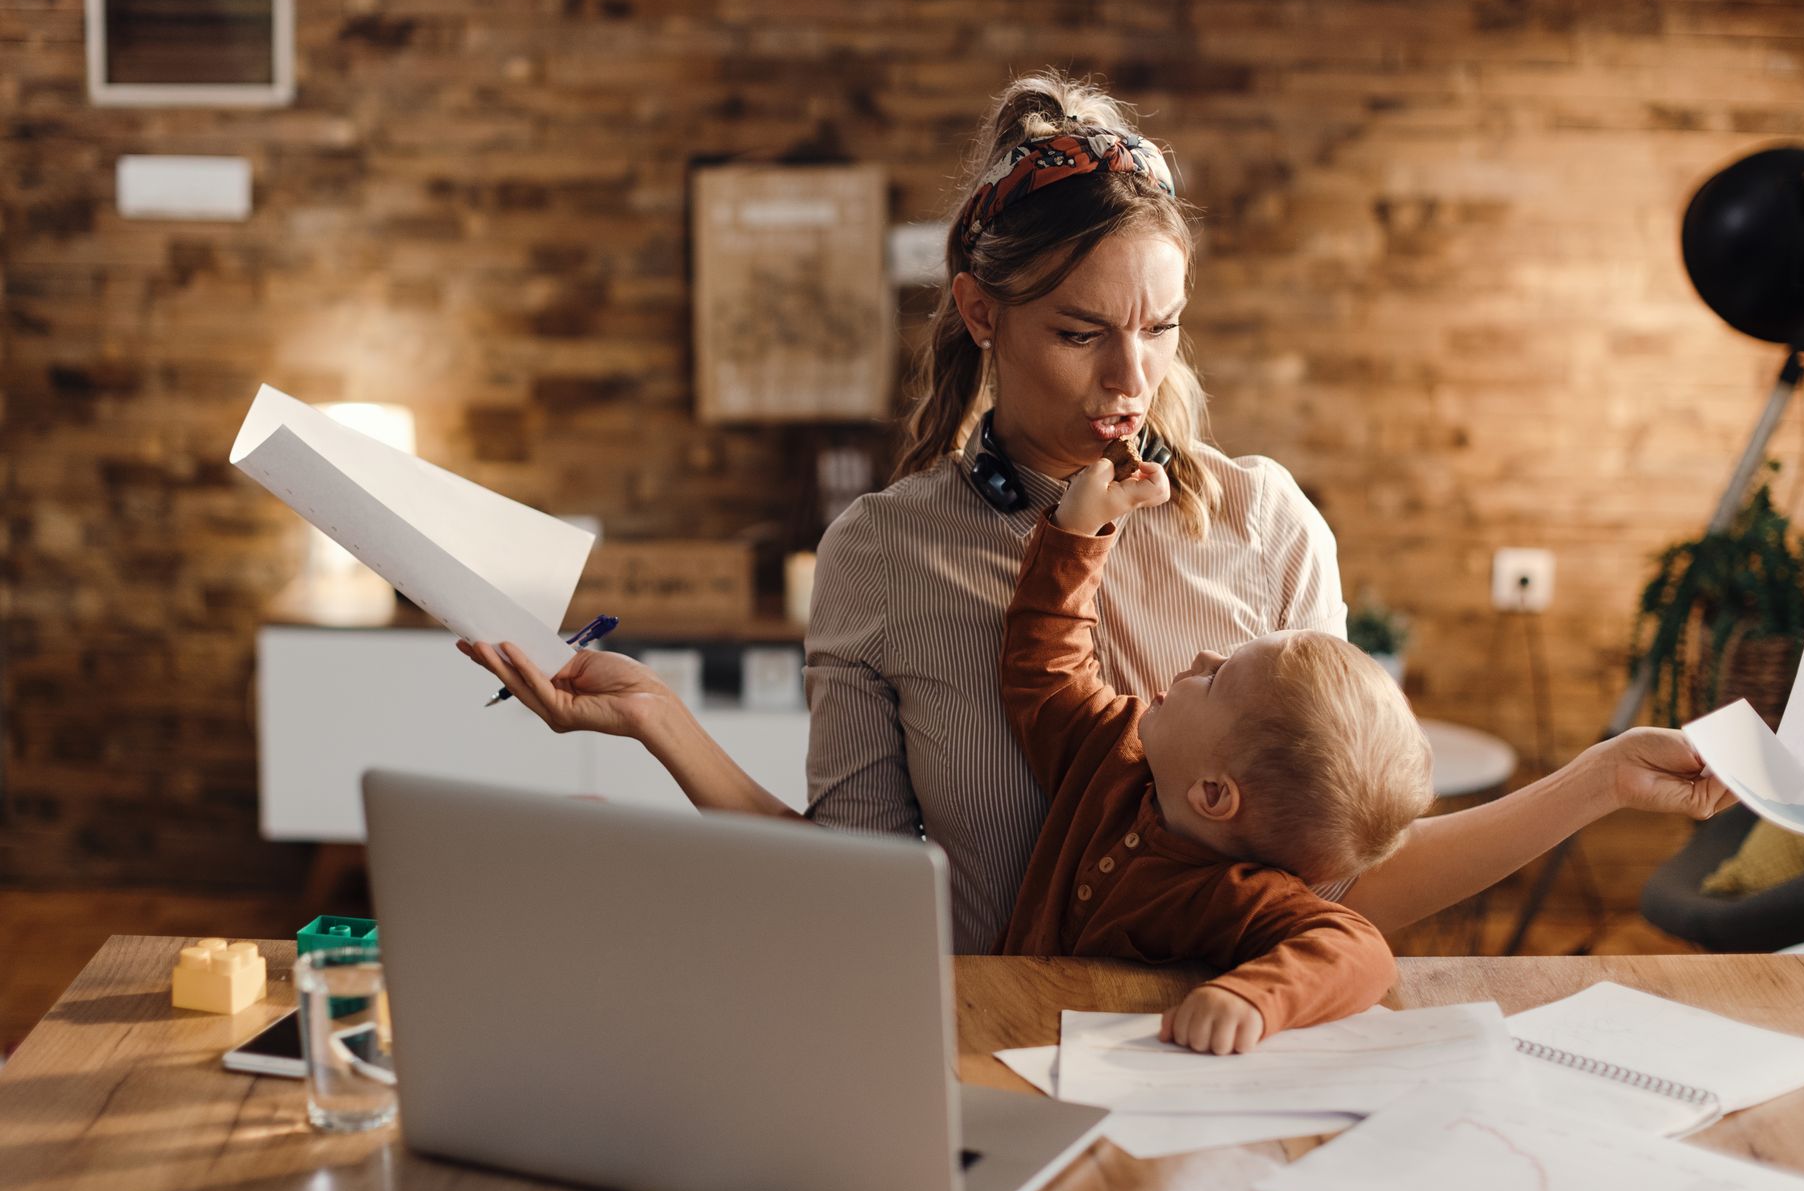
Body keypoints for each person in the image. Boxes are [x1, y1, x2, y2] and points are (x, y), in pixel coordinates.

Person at [463, 70, 1734, 955]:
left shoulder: (1270, 522)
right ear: (981, 313)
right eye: (1080, 334)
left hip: (1231, 1067)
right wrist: (663, 726)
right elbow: (852, 890)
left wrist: (1597, 778)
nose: (1132, 382)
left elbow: (1349, 879)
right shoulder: (883, 551)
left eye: (1160, 328)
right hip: (983, 1048)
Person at [998, 452, 1428, 1054]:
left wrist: (1253, 999)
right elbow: (1046, 666)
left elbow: (1361, 954)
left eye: (1219, 677)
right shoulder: (1110, 750)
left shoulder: (1237, 894)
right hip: (1004, 1024)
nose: (1201, 659)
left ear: (1215, 794)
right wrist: (1077, 532)